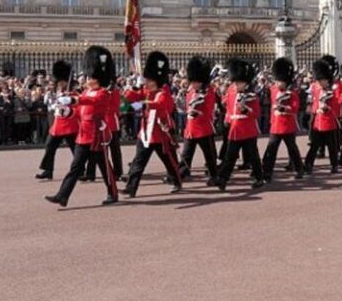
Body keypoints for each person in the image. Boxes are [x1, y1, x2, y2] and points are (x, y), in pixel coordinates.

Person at [45, 46, 118, 207]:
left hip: (96, 136)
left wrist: (72, 100)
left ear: (97, 78)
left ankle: (112, 192)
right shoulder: (85, 93)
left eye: (89, 77)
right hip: (83, 135)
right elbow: (79, 112)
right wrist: (66, 111)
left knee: (105, 167)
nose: (86, 79)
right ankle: (62, 196)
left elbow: (91, 102)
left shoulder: (102, 93)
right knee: (75, 167)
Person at [123, 51, 183, 197]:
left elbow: (160, 106)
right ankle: (131, 188)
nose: (147, 83)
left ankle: (177, 182)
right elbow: (131, 99)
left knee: (169, 161)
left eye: (149, 81)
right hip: (145, 133)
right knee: (138, 162)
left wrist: (142, 103)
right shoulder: (146, 91)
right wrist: (131, 88)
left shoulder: (163, 94)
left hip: (160, 133)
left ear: (156, 81)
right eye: (146, 80)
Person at [217, 59, 264, 191]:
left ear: (246, 82)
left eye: (240, 83)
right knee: (229, 157)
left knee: (253, 156)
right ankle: (223, 179)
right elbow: (228, 108)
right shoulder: (231, 92)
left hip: (248, 130)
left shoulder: (252, 96)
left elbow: (256, 113)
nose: (237, 85)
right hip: (235, 129)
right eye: (236, 82)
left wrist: (245, 110)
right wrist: (227, 119)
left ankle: (259, 178)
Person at [262, 57, 304, 181]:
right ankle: (267, 172)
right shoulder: (273, 89)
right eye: (277, 81)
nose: (278, 83)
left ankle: (299, 169)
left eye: (281, 81)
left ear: (286, 81)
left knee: (292, 149)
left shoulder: (292, 93)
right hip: (276, 125)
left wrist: (285, 108)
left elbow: (295, 108)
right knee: (271, 149)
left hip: (288, 125)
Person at [179, 55, 219, 184]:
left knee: (210, 155)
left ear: (201, 81)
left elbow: (208, 109)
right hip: (191, 128)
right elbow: (186, 106)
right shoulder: (191, 92)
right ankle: (182, 173)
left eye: (195, 82)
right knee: (186, 154)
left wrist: (197, 111)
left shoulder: (208, 92)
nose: (192, 84)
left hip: (203, 128)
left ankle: (214, 176)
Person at [35, 61, 78, 180]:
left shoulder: (72, 93)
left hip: (69, 125)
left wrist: (68, 101)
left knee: (75, 150)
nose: (60, 84)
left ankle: (81, 169)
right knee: (49, 146)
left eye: (61, 82)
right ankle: (48, 170)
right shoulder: (59, 93)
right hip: (58, 125)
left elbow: (77, 106)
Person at [304, 59, 341, 174]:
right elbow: (313, 102)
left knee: (332, 146)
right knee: (314, 145)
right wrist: (316, 110)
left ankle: (334, 165)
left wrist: (328, 108)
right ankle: (308, 164)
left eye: (323, 80)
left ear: (327, 79)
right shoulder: (315, 87)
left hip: (329, 122)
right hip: (318, 122)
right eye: (319, 80)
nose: (321, 82)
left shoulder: (333, 90)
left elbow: (336, 104)